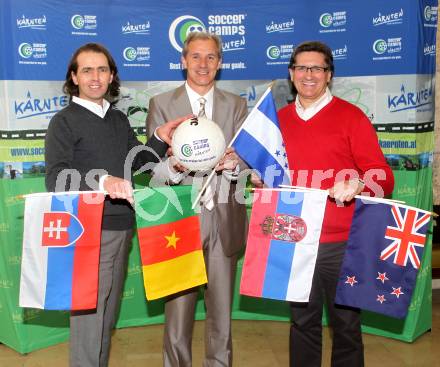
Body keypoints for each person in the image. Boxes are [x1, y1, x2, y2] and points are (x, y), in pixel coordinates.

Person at [45, 42, 187, 367]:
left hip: (123, 228)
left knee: (106, 320)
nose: (96, 77)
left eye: (102, 69)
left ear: (111, 76)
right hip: (88, 232)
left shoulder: (117, 119)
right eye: (87, 70)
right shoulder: (64, 121)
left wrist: (161, 138)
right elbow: (55, 177)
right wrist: (102, 181)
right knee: (89, 323)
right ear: (74, 76)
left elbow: (136, 163)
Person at [277, 41, 395, 366]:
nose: (309, 74)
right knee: (302, 324)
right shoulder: (278, 121)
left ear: (328, 75)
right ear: (291, 73)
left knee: (345, 326)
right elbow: (269, 172)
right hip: (295, 238)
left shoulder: (351, 117)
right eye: (302, 67)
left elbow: (384, 176)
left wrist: (359, 182)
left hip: (341, 243)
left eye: (317, 68)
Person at [146, 32, 248, 367]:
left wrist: (235, 164)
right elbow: (151, 171)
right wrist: (173, 167)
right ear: (183, 61)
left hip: (224, 217)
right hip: (179, 222)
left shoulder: (237, 104)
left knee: (221, 314)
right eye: (195, 56)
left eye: (211, 57)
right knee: (178, 315)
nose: (203, 65)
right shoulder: (161, 104)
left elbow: (248, 161)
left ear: (220, 62)